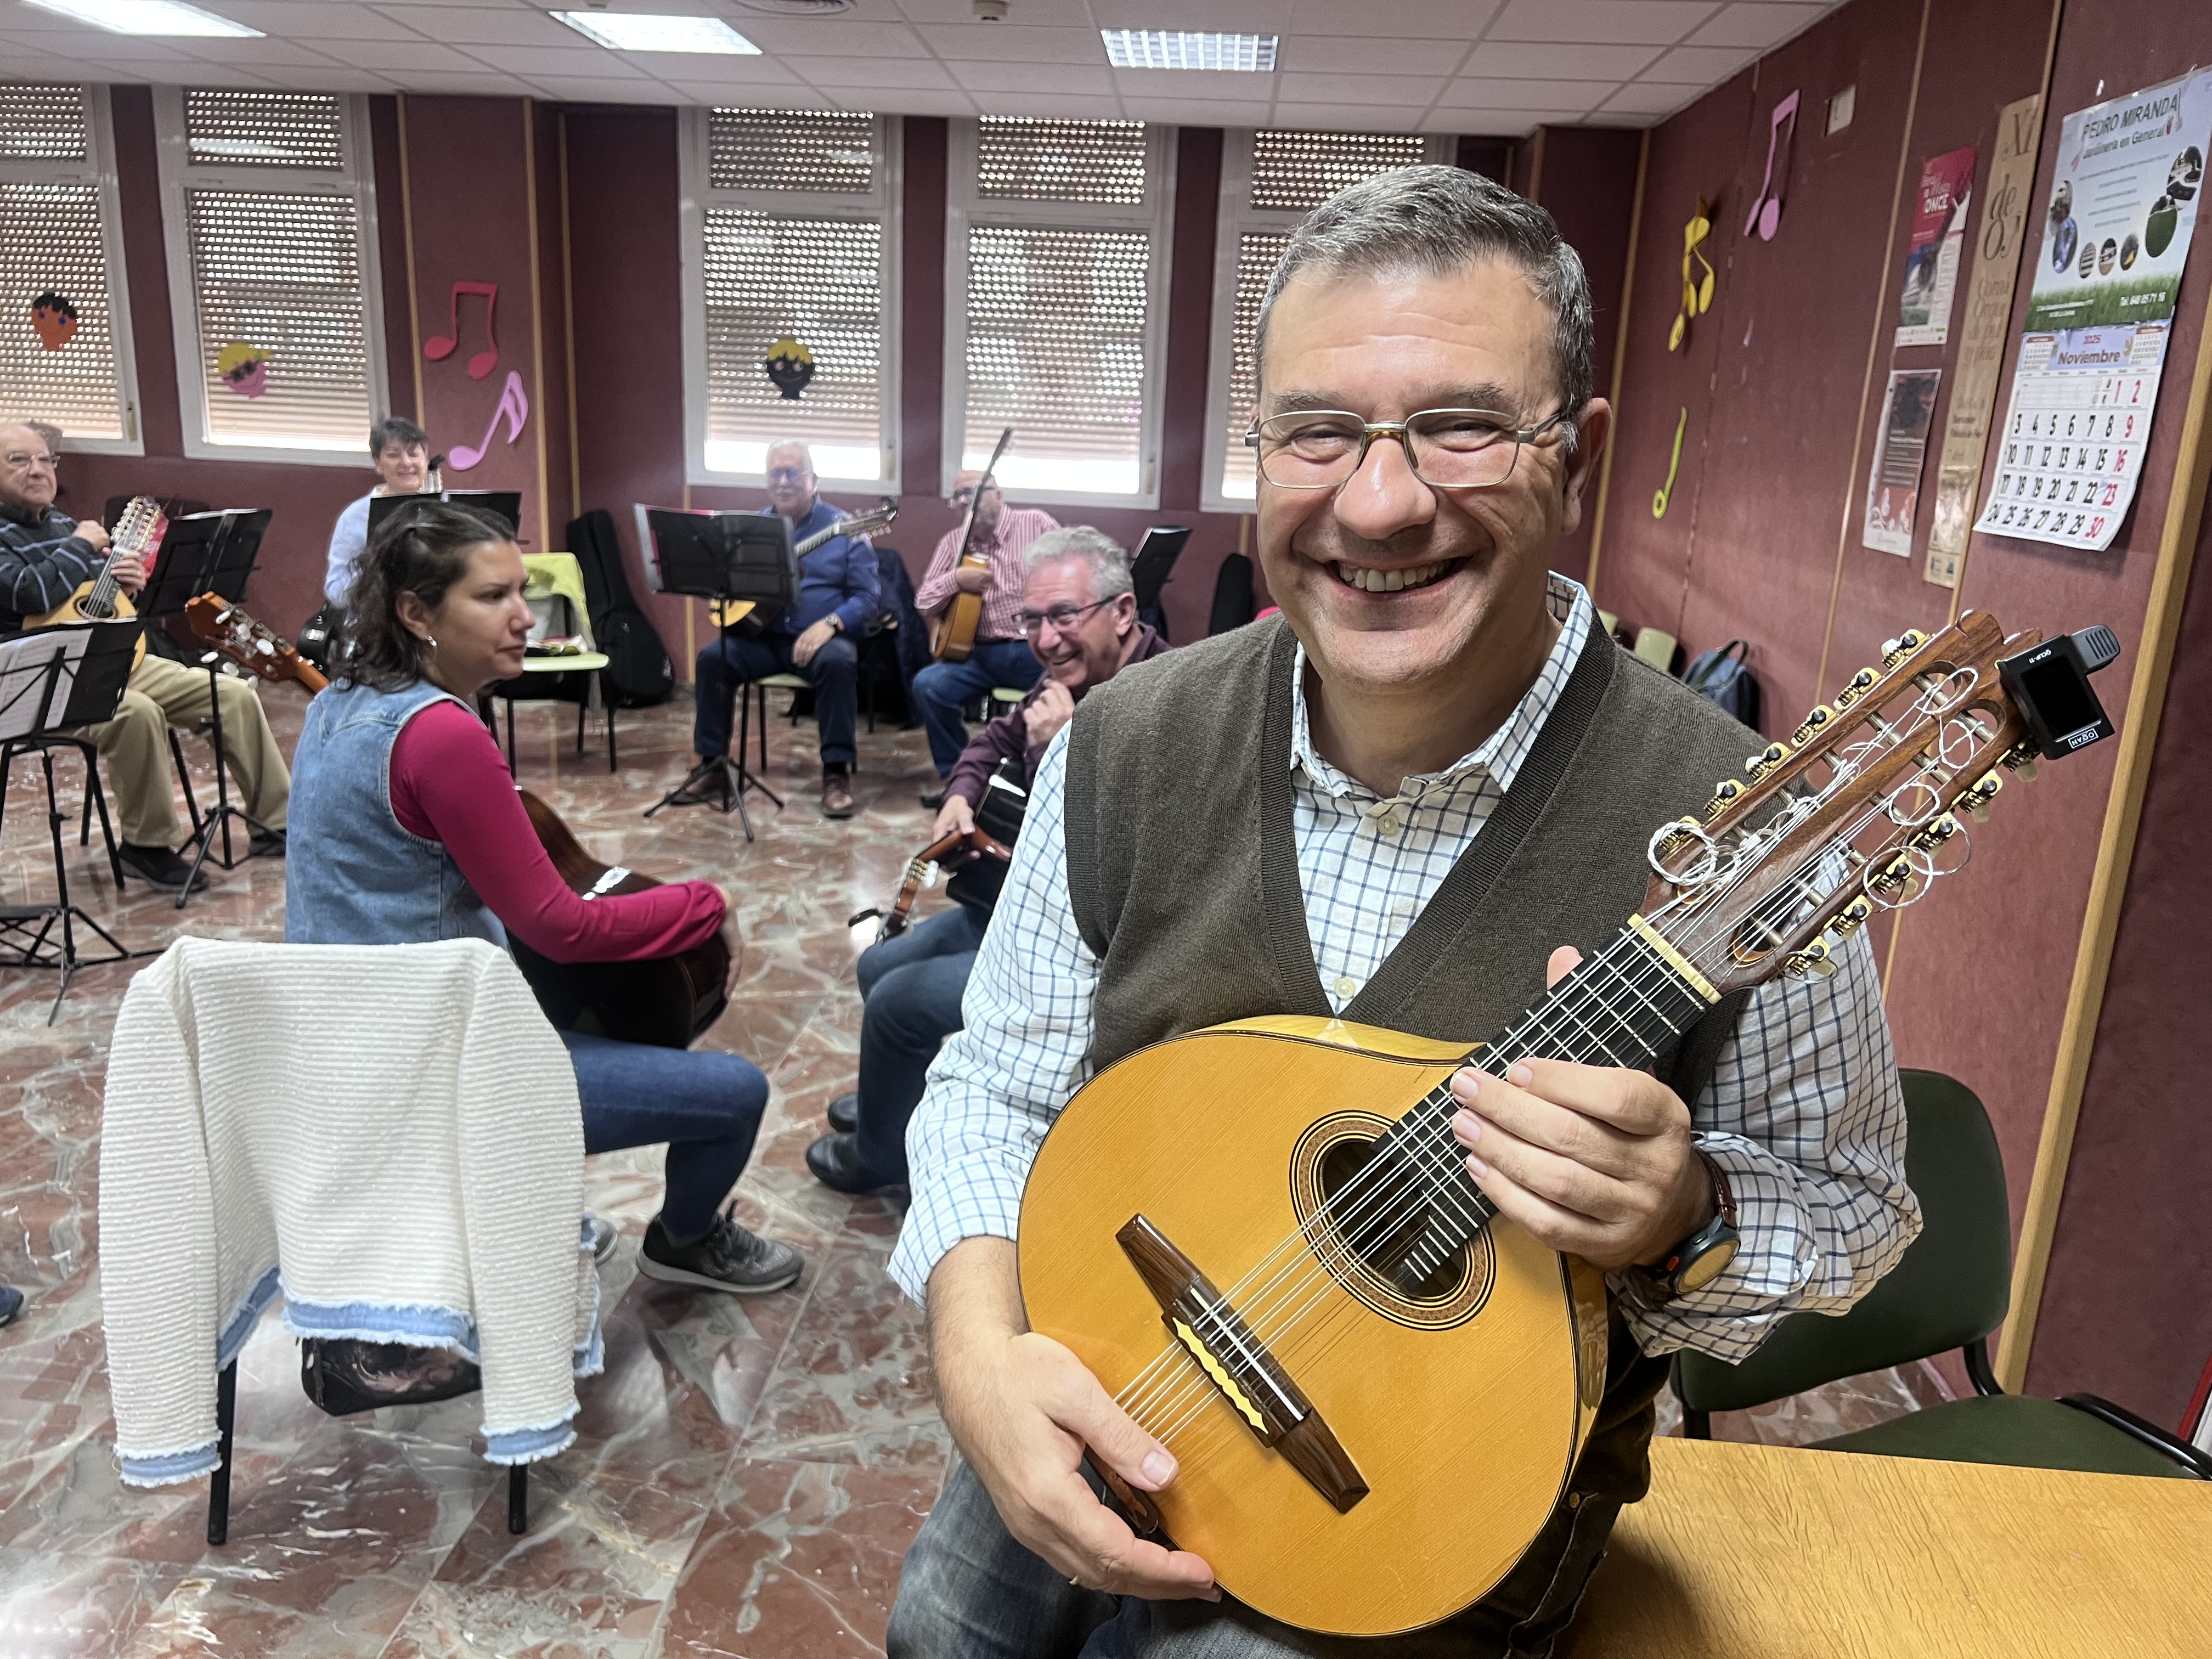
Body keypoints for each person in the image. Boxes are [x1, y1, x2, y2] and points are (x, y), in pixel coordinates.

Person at [883, 167, 1919, 1657]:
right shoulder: (1123, 740)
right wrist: (979, 1351)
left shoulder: (1751, 832)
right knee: (944, 1634)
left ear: (1582, 455)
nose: (1379, 501)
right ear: (1262, 457)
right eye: (1319, 430)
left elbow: (1855, 1205)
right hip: (1126, 1343)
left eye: (1463, 425)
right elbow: (1000, 1082)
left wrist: (1686, 1217)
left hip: (1433, 1513)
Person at [286, 500, 804, 1296]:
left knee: (560, 986)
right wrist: (707, 903)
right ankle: (686, 1241)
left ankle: (520, 1199)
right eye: (492, 598)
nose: (525, 617)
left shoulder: (334, 705)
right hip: (433, 1066)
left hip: (348, 1041)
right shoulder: (444, 736)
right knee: (736, 1093)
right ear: (417, 612)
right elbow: (561, 926)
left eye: (521, 591)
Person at [807, 527, 1170, 1197]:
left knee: (894, 1005)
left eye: (1064, 616)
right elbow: (993, 738)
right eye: (1031, 619)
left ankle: (882, 1156)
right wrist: (959, 796)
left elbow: (1109, 861)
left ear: (1123, 613)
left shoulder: (1161, 706)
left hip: (1091, 954)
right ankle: (896, 1104)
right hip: (1023, 912)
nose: (1044, 638)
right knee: (878, 962)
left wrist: (1058, 753)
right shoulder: (1071, 675)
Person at [0, 419, 290, 891]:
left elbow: (92, 604)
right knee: (136, 713)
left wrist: (125, 586)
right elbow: (30, 593)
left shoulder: (64, 524)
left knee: (231, 693)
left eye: (46, 460)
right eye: (19, 460)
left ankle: (275, 822)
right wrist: (81, 547)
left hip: (110, 659)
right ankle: (147, 847)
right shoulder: (71, 534)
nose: (38, 471)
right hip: (40, 682)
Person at [682, 439, 878, 820]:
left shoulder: (846, 528)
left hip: (820, 642)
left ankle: (836, 774)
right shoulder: (751, 528)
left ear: (813, 480)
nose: (784, 481)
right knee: (713, 659)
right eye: (776, 473)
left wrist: (831, 624)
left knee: (840, 663)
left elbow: (868, 598)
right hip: (761, 639)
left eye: (793, 473)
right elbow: (729, 582)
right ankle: (712, 765)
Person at [910, 470, 1058, 805]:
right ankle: (960, 780)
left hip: (1036, 651)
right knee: (929, 686)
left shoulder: (1036, 524)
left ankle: (1036, 783)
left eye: (974, 492)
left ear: (999, 496)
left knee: (1069, 691)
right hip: (980, 656)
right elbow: (924, 602)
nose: (965, 501)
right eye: (958, 496)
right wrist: (956, 579)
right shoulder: (954, 542)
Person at [325, 415, 433, 609]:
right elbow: (335, 590)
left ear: (426, 459)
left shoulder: (442, 509)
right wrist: (375, 576)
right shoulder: (355, 517)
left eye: (413, 454)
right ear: (378, 462)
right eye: (394, 455)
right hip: (376, 625)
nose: (406, 462)